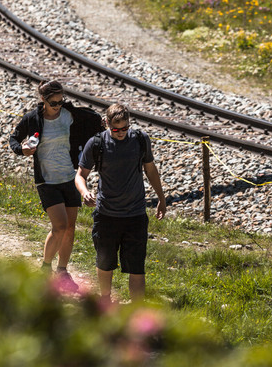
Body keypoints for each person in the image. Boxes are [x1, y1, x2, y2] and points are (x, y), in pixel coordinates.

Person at [9, 79, 102, 291]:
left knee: (70, 228)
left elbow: (93, 121)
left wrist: (103, 125)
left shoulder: (70, 115)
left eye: (61, 101)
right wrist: (21, 150)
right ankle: (45, 268)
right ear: (43, 100)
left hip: (70, 177)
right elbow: (14, 138)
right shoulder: (33, 119)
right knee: (59, 226)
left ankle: (62, 271)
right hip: (47, 180)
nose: (58, 106)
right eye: (54, 102)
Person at [75, 103, 166, 303]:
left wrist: (161, 198)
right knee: (105, 262)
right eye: (116, 129)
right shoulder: (97, 143)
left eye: (125, 128)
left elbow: (150, 170)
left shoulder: (140, 140)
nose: (121, 133)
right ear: (107, 124)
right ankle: (105, 300)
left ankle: (137, 308)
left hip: (135, 215)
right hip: (106, 214)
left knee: (137, 266)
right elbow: (80, 175)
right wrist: (85, 192)